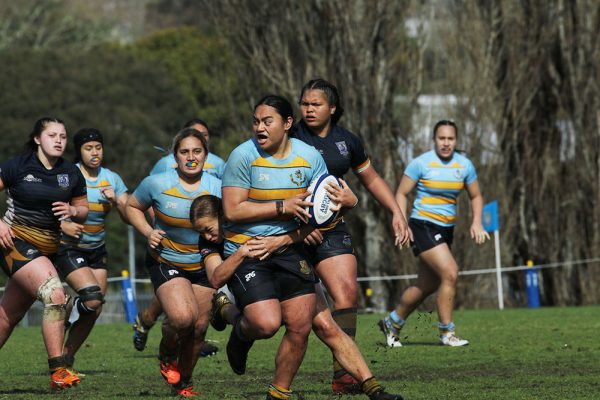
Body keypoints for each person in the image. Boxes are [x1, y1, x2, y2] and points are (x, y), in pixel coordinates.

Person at [191, 194, 404, 400]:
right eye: (201, 232)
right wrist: (241, 252)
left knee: (327, 326)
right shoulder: (211, 242)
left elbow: (301, 213)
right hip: (251, 274)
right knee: (266, 324)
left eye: (209, 229)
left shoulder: (250, 214)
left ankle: (373, 389)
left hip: (288, 263)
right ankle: (233, 321)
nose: (207, 236)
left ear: (223, 215)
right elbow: (216, 277)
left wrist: (303, 229)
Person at [292, 78, 411, 393]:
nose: (309, 109)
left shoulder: (348, 141)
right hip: (293, 232)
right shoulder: (290, 138)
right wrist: (298, 226)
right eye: (304, 104)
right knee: (290, 316)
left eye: (315, 104)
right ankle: (243, 330)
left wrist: (396, 212)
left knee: (346, 294)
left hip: (332, 228)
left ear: (332, 108)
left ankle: (343, 376)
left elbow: (370, 179)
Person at [221, 94, 327, 400]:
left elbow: (323, 202)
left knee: (299, 324)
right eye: (256, 121)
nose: (260, 128)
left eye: (267, 121)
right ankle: (240, 334)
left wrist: (344, 202)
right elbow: (232, 210)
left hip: (290, 247)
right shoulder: (242, 156)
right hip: (249, 247)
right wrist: (282, 206)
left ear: (287, 124)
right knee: (266, 324)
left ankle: (279, 392)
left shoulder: (309, 157)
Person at [126, 127, 221, 396]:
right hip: (167, 260)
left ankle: (183, 385)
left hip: (204, 263)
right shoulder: (157, 183)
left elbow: (233, 219)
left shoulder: (218, 186)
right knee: (182, 319)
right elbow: (131, 206)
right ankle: (167, 355)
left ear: (206, 154)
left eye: (197, 151)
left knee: (200, 328)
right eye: (184, 152)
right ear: (174, 156)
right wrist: (148, 232)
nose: (191, 157)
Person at [379, 120, 489, 347]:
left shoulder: (464, 166)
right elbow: (401, 193)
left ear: (456, 141)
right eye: (442, 138)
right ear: (434, 140)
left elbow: (476, 196)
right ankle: (447, 333)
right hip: (422, 225)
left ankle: (393, 322)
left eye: (450, 139)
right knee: (450, 273)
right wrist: (402, 223)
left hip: (446, 229)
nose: (446, 143)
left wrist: (477, 222)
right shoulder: (421, 164)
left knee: (426, 285)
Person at [0, 117, 88, 390]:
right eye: (52, 135)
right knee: (55, 294)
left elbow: (83, 209)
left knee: (7, 316)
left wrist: (73, 212)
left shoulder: (71, 172)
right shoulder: (18, 166)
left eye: (63, 135)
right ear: (38, 139)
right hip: (14, 243)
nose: (59, 140)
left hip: (46, 251)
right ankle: (58, 370)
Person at [54, 128, 129, 371]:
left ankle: (67, 356)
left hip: (98, 250)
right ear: (79, 151)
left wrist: (117, 200)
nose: (94, 152)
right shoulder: (68, 174)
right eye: (88, 148)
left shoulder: (112, 179)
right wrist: (64, 225)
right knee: (91, 298)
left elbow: (130, 214)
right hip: (70, 248)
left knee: (95, 308)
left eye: (98, 147)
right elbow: (45, 206)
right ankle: (66, 308)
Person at [149, 118, 226, 178]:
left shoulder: (218, 163)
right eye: (195, 133)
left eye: (204, 134)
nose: (200, 137)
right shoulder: (165, 163)